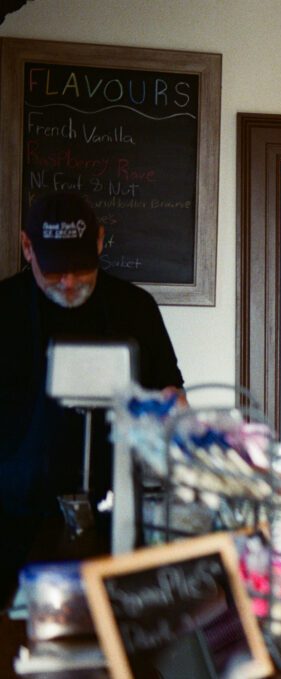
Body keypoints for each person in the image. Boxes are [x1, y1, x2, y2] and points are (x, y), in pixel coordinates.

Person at [0, 192, 185, 603]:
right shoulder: (4, 309)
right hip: (13, 523)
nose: (68, 283)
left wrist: (176, 424)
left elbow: (172, 397)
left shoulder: (136, 308)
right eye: (54, 271)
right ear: (27, 247)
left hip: (118, 520)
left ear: (100, 242)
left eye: (81, 269)